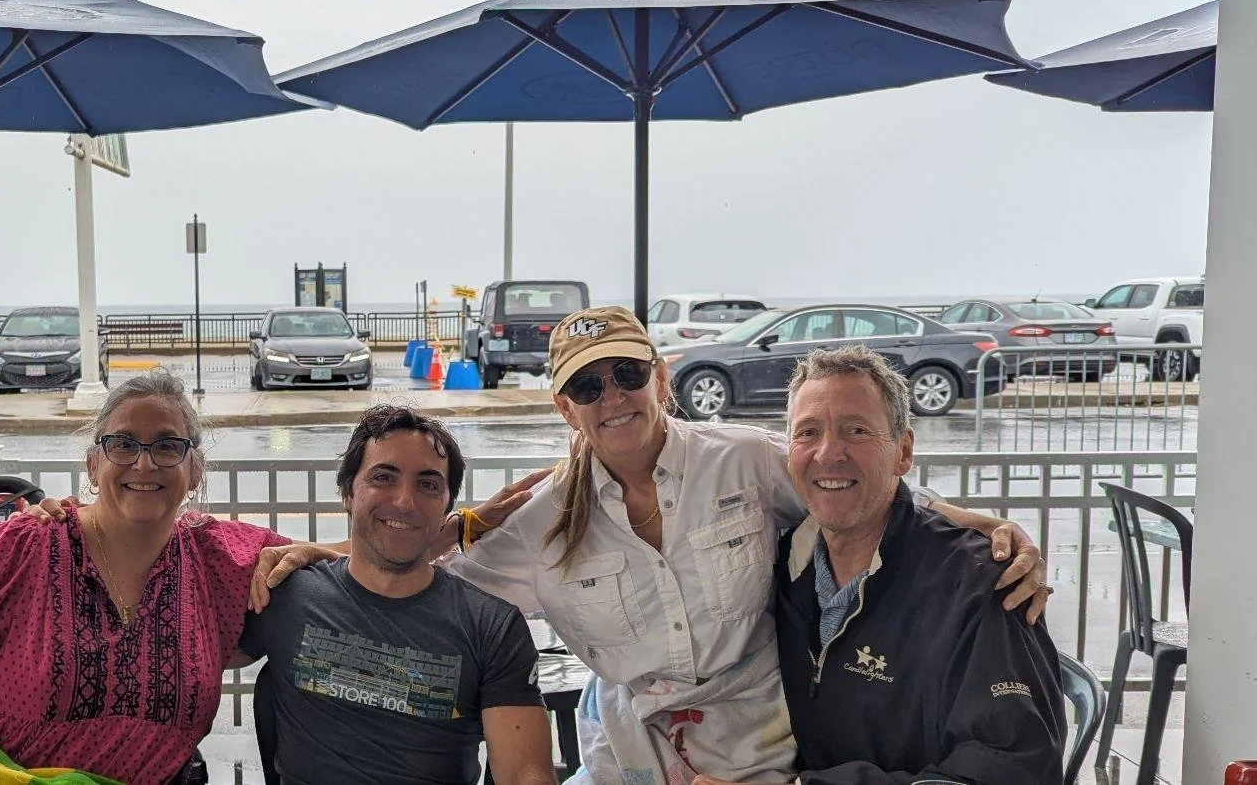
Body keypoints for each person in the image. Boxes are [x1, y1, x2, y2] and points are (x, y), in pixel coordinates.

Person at [439, 306, 1049, 785]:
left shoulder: (742, 461)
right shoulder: (540, 521)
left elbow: (843, 482)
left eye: (627, 374)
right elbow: (425, 590)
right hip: (627, 761)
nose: (613, 397)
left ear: (660, 378)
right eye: (586, 386)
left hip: (761, 758)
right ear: (565, 409)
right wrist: (444, 530)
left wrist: (976, 525)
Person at [0, 372, 336, 785]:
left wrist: (315, 551)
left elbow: (371, 557)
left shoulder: (218, 558)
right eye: (122, 444)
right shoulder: (22, 547)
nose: (144, 462)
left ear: (195, 470)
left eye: (168, 446)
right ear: (92, 464)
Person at [743, 346, 1064, 784]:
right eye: (808, 432)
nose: (828, 453)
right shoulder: (782, 568)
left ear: (903, 451)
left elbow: (1015, 768)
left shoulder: (981, 585)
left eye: (856, 430)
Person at [237, 406, 556, 785]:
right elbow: (193, 665)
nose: (405, 502)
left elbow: (524, 772)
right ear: (348, 493)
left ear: (447, 507)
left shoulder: (491, 626)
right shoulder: (287, 593)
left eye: (428, 484)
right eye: (383, 477)